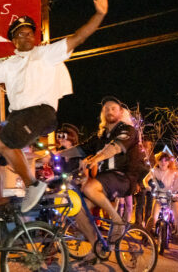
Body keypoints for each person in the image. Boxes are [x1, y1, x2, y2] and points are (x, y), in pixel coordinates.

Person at [0, 0, 109, 212]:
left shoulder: (46, 54)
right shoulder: (8, 64)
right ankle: (15, 191)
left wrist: (99, 15)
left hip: (40, 112)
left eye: (29, 33)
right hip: (18, 116)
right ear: (13, 40)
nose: (26, 36)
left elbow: (78, 37)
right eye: (20, 34)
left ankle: (33, 185)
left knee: (4, 141)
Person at [60, 96, 146, 248]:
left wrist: (97, 158)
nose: (109, 111)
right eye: (106, 109)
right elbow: (81, 148)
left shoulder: (128, 130)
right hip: (104, 181)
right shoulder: (101, 135)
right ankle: (96, 247)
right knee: (78, 210)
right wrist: (54, 155)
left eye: (113, 108)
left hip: (123, 177)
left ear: (120, 112)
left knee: (89, 187)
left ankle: (117, 220)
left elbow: (116, 147)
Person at [144, 152, 178, 253]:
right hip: (159, 197)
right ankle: (145, 235)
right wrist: (148, 187)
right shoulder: (154, 171)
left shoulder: (173, 172)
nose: (163, 162)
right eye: (161, 160)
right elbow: (145, 180)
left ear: (168, 162)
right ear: (157, 161)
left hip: (172, 197)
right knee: (153, 217)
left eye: (165, 160)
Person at [135, 137, 155, 226]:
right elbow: (135, 170)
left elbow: (155, 169)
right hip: (140, 182)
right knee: (140, 204)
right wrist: (136, 183)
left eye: (149, 145)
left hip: (151, 184)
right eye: (145, 145)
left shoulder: (152, 156)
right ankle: (138, 225)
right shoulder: (138, 155)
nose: (147, 147)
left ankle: (147, 226)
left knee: (149, 206)